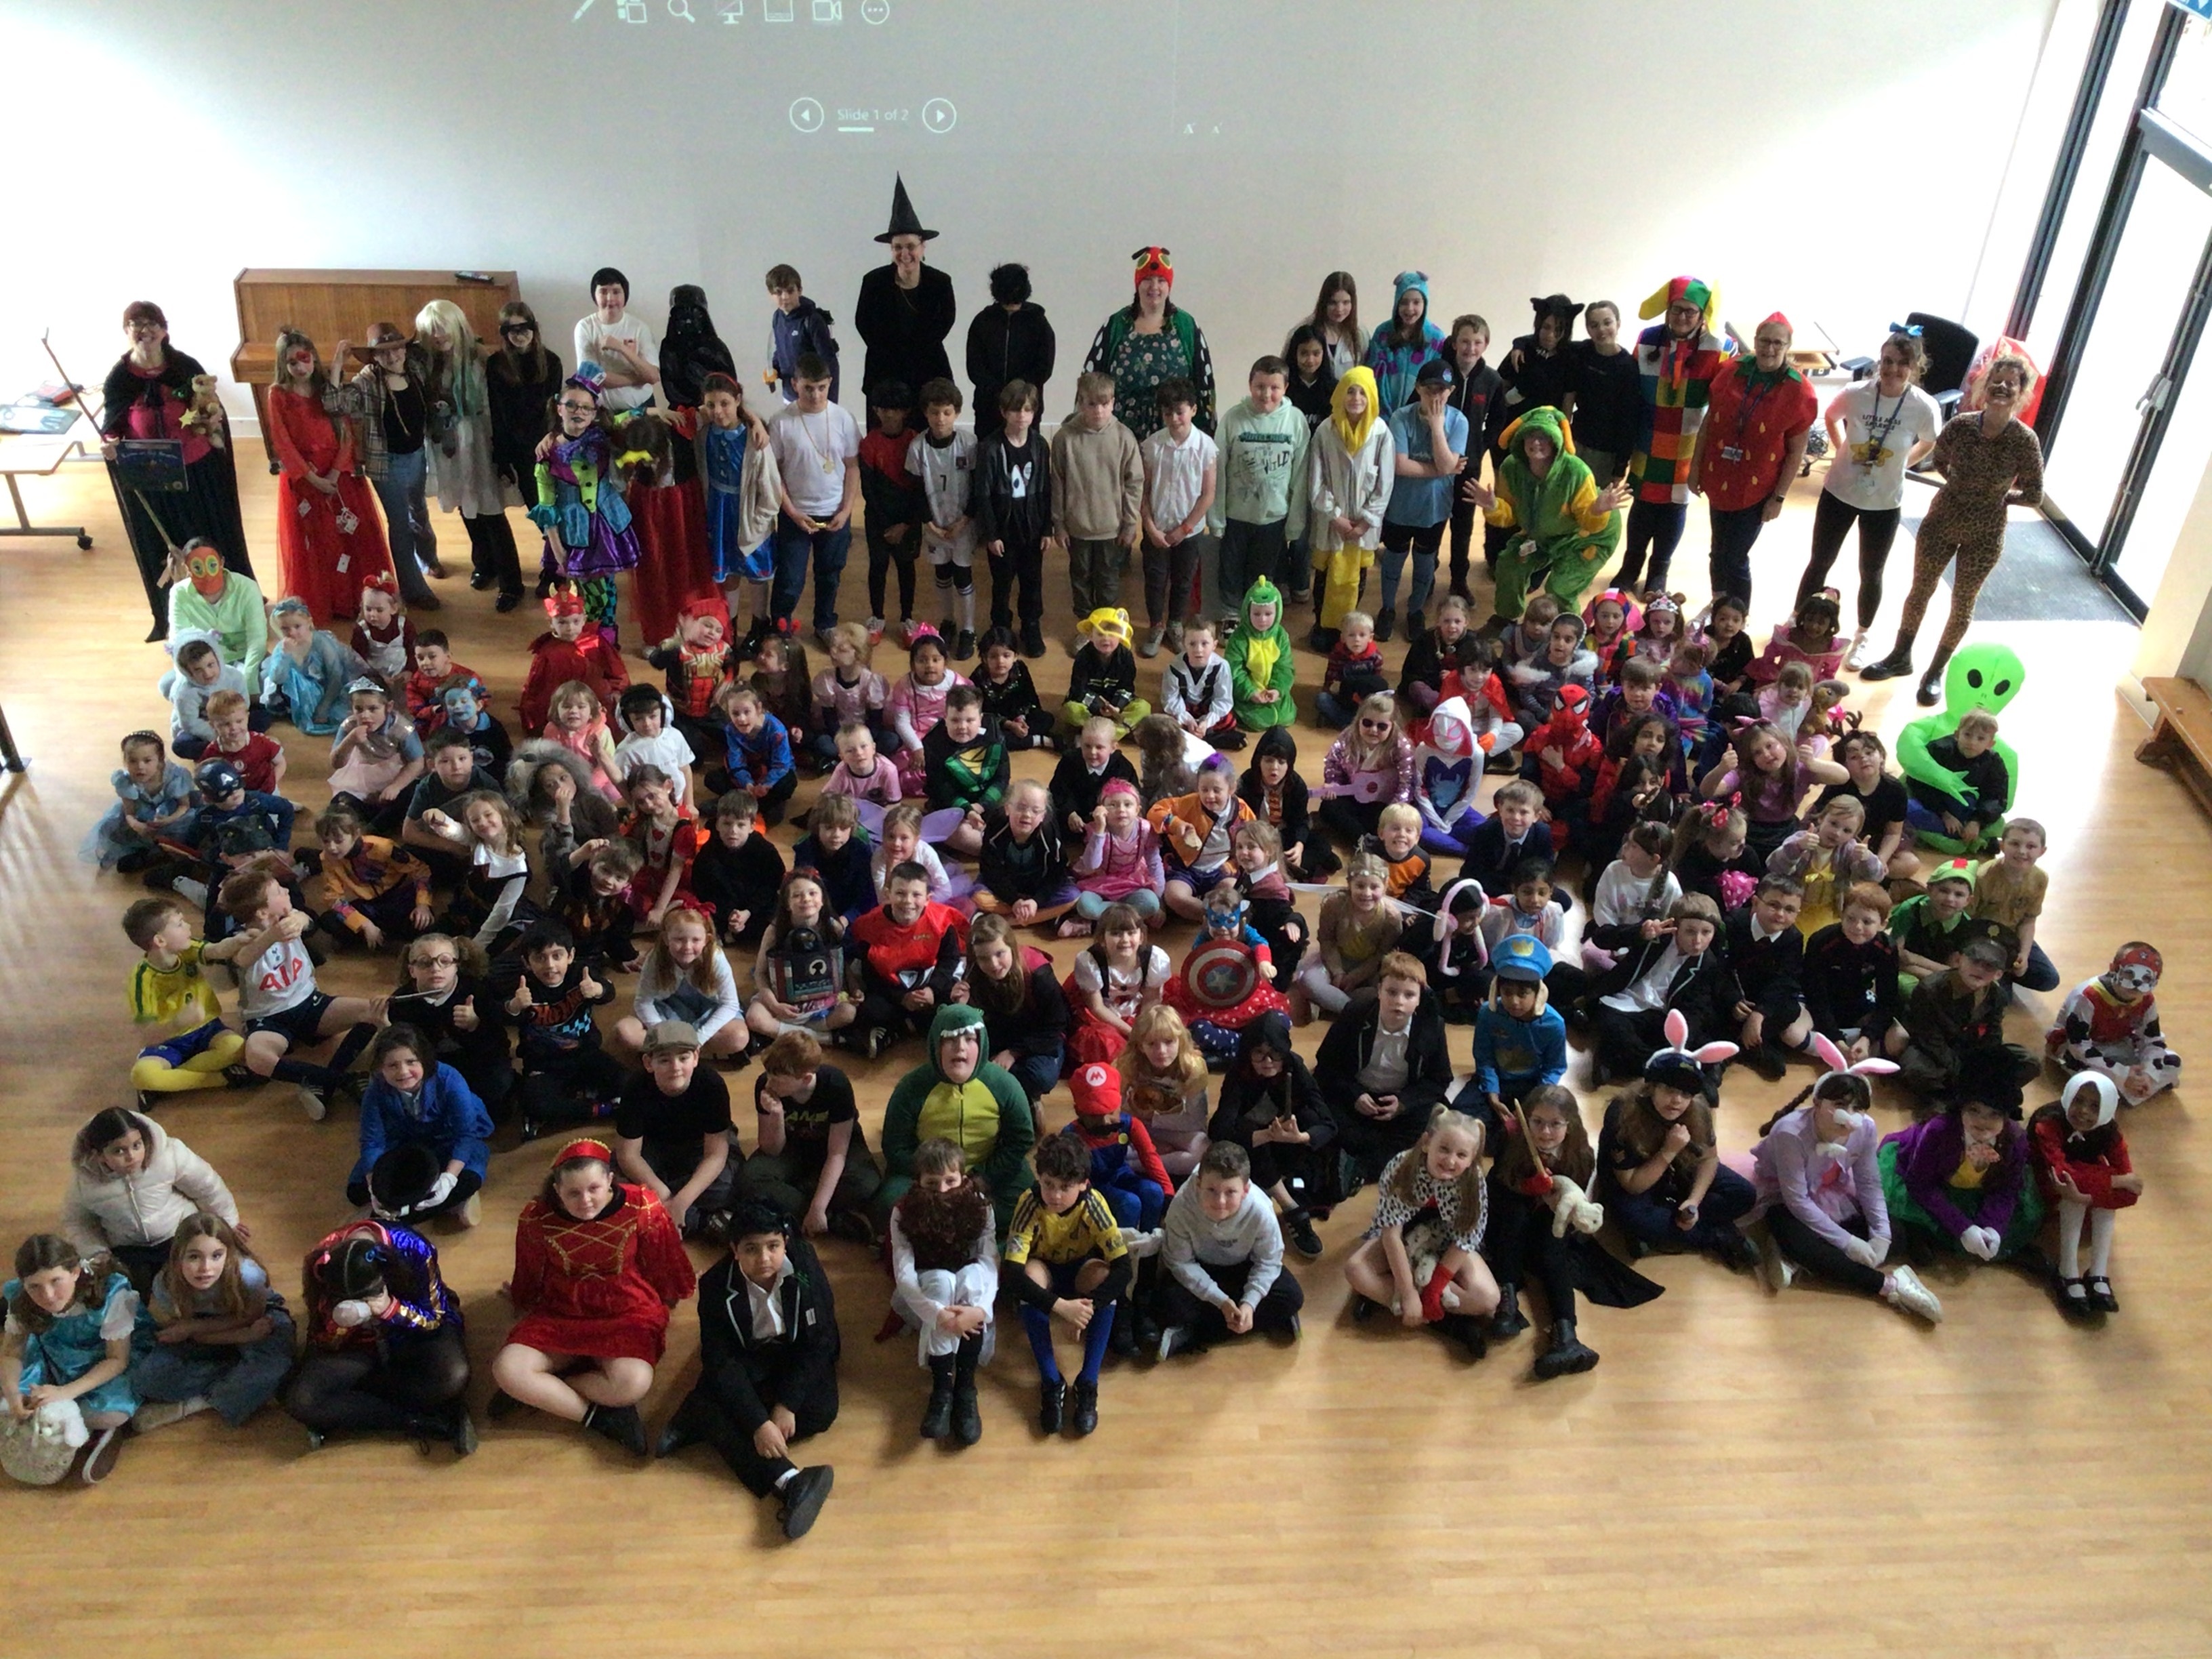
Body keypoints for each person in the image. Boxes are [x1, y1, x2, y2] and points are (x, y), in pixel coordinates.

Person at [491, 1137, 696, 1455]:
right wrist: (522, 1296)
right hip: (562, 1309)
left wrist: (673, 1289)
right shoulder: (538, 1217)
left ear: (610, 1180)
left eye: (594, 1189)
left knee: (633, 1384)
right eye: (573, 1193)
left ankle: (546, 1390)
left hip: (626, 1309)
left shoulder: (641, 1205)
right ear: (557, 1190)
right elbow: (530, 1267)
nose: (585, 1201)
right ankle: (596, 1417)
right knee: (507, 1369)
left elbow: (662, 1257)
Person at [1860, 354, 2045, 704]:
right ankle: (1900, 656)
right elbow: (1940, 460)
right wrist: (1960, 486)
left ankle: (1935, 672)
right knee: (1920, 591)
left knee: (1962, 603)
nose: (2002, 387)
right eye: (1996, 380)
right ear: (1985, 385)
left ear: (2021, 393)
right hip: (1943, 519)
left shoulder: (2025, 440)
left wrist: (2000, 498)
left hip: (1986, 532)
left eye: (2011, 383)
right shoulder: (1961, 425)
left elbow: (2035, 494)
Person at [655, 1203, 839, 1540]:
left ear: (785, 1243)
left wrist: (786, 1404)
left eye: (773, 1246)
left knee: (820, 1412)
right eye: (751, 1249)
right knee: (737, 1400)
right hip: (749, 1355)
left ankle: (704, 1415)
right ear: (734, 1250)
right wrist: (758, 1423)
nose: (764, 1258)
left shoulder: (804, 1268)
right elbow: (720, 1358)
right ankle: (788, 1480)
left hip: (795, 1351)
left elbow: (821, 1340)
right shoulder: (715, 1286)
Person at [1484, 1084, 1664, 1379]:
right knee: (1513, 1228)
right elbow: (1500, 1184)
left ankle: (1566, 1334)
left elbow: (1575, 1198)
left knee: (1553, 1252)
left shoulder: (1581, 1154)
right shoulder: (1510, 1140)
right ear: (1527, 1119)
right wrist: (1529, 1187)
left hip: (1551, 1215)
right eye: (1538, 1122)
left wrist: (1555, 1199)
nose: (1545, 1132)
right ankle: (1507, 1300)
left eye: (1555, 1124)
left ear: (1569, 1124)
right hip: (1510, 1209)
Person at [1749, 1057, 1944, 1322]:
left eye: (1857, 1108)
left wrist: (1881, 1234)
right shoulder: (1790, 1134)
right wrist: (1848, 1243)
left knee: (1897, 1235)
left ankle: (1794, 1256)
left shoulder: (1866, 1128)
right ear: (1817, 1103)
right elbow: (1797, 1200)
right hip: (1785, 1198)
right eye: (1840, 1105)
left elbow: (1869, 1182)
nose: (1849, 1116)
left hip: (1832, 1190)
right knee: (1802, 1242)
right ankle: (1889, 1286)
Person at [100, 300, 253, 638]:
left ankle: (229, 608)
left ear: (165, 330)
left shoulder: (184, 366)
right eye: (137, 324)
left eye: (152, 323)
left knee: (208, 539)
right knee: (167, 548)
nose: (146, 331)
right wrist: (109, 443)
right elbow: (112, 425)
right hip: (152, 478)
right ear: (126, 331)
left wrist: (213, 417)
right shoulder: (120, 379)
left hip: (197, 471)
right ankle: (182, 615)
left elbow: (210, 407)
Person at [1794, 329, 1942, 667]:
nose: (1893, 369)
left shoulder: (1923, 406)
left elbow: (1930, 441)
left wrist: (1904, 464)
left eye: (1902, 364)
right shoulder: (1856, 393)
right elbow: (1830, 417)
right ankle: (1798, 621)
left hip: (1884, 503)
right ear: (1880, 361)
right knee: (1820, 561)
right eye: (1888, 361)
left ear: (1914, 367)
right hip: (1839, 492)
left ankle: (1862, 636)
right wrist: (1841, 449)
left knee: (1871, 572)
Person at [202, 868, 386, 1120]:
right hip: (268, 1018)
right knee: (257, 1058)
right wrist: (272, 935)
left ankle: (324, 1082)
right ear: (262, 912)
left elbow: (307, 919)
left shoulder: (291, 916)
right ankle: (343, 1080)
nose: (287, 891)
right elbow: (243, 959)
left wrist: (300, 919)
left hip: (310, 1003)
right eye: (279, 891)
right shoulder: (241, 939)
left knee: (373, 1011)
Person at [287, 1219, 472, 1454]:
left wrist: (391, 1309)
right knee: (302, 1400)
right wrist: (340, 1324)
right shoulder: (321, 1260)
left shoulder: (413, 1247)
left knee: (453, 1374)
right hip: (356, 1345)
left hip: (411, 1333)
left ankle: (361, 1401)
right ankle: (421, 1418)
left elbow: (434, 1318)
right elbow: (319, 1333)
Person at [1003, 1130, 1130, 1437]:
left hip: (1079, 1268)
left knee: (1104, 1274)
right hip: (1044, 1268)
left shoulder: (1094, 1204)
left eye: (1065, 1187)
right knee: (1029, 1275)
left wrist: (1088, 1309)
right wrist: (1062, 1308)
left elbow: (1123, 1268)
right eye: (1048, 1184)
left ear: (1084, 1184)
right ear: (1039, 1178)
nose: (1055, 1196)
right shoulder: (1029, 1202)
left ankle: (1088, 1381)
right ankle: (1051, 1380)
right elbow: (1013, 1274)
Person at [1689, 312, 1818, 610]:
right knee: (1717, 551)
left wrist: (1779, 497)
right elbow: (1708, 423)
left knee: (1735, 557)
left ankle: (1737, 616)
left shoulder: (1798, 390)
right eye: (1764, 341)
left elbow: (1796, 451)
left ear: (1788, 346)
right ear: (1755, 341)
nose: (1769, 349)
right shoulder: (1731, 371)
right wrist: (1695, 468)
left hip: (1757, 487)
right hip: (1719, 475)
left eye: (1777, 343)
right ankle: (1719, 604)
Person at [1343, 1105, 1496, 1353]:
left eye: (1461, 1155)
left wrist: (1436, 1287)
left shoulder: (1473, 1180)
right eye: (1444, 1149)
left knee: (1488, 1299)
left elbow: (1466, 1239)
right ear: (1426, 1143)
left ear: (1471, 1158)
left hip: (1446, 1243)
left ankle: (1409, 1307)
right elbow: (1391, 1235)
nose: (1450, 1161)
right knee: (1355, 1270)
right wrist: (1408, 1292)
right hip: (1402, 1240)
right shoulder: (1401, 1166)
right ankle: (1444, 1322)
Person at [1613, 275, 1730, 598]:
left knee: (1675, 505)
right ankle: (1630, 567)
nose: (1682, 317)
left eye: (1690, 312)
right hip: (1647, 437)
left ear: (1702, 314)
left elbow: (1726, 395)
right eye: (1677, 309)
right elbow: (1631, 386)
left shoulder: (1720, 347)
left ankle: (1658, 572)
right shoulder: (1648, 338)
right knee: (1642, 502)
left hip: (1687, 443)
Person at [1596, 1038, 1760, 1269]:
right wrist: (1668, 1151)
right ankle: (1716, 1236)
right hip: (1638, 1177)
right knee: (1632, 1217)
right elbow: (1632, 1185)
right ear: (1652, 1087)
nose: (1677, 1101)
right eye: (1669, 1090)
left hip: (1678, 1169)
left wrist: (1693, 1202)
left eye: (1686, 1093)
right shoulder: (1622, 1112)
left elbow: (1709, 1159)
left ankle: (1669, 1228)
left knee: (1744, 1194)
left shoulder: (1698, 1110)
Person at [876, 1004, 1037, 1237]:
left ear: (982, 1044)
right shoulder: (911, 1087)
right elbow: (895, 1145)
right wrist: (931, 1179)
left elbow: (1020, 1140)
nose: (960, 1047)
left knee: (1027, 1204)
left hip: (987, 1171)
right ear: (935, 1044)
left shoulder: (1004, 1085)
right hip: (928, 1175)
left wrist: (985, 1177)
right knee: (889, 1205)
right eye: (950, 1039)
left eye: (970, 1039)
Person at [1, 1235, 151, 1484]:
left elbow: (117, 1360)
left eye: (55, 1281)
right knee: (9, 1392)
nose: (48, 1296)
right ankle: (62, 1425)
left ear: (75, 1272)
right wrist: (12, 1395)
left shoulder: (111, 1293)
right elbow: (11, 1352)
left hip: (104, 1359)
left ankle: (86, 1428)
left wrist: (64, 1393)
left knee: (113, 1413)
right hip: (55, 1351)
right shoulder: (19, 1297)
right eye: (34, 1287)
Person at [131, 1213, 296, 1433]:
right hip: (215, 1332)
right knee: (147, 1379)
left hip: (253, 1320)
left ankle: (194, 1405)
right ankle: (239, 1377)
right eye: (194, 1257)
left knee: (273, 1363)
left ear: (229, 1254)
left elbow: (251, 1317)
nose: (205, 1268)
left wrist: (195, 1329)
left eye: (216, 1256)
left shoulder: (249, 1275)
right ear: (178, 1256)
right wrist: (240, 1337)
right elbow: (191, 1333)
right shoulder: (166, 1285)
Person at [1465, 406, 1626, 626]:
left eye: (1544, 437)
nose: (1536, 442)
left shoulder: (1576, 472)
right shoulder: (1511, 467)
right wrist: (1493, 506)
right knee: (1509, 565)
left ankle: (1570, 633)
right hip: (1542, 534)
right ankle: (1506, 620)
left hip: (1587, 535)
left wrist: (1598, 510)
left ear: (1556, 441)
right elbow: (1510, 516)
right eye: (1530, 435)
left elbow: (1589, 523)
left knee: (1560, 589)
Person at [1879, 1056, 2044, 1265]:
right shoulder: (1938, 1132)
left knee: (2022, 1215)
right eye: (1974, 1110)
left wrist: (1992, 1227)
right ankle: (1917, 1233)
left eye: (1994, 1114)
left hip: (1977, 1189)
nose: (1983, 1122)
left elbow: (2006, 1189)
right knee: (1906, 1205)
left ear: (2006, 1117)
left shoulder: (2015, 1141)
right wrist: (1964, 1228)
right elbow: (1920, 1184)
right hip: (1930, 1181)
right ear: (1961, 1108)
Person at [60, 1107, 240, 1294]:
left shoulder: (170, 1155)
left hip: (178, 1233)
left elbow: (208, 1187)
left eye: (137, 1145)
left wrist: (228, 1224)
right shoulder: (84, 1183)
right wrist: (96, 1253)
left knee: (196, 1281)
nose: (131, 1156)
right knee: (127, 1291)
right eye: (119, 1151)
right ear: (99, 1156)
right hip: (129, 1247)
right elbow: (78, 1221)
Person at [887, 1139, 996, 1446]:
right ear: (918, 1181)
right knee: (942, 1281)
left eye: (951, 1181)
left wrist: (980, 1310)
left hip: (969, 1289)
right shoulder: (903, 1211)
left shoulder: (980, 1206)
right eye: (932, 1183)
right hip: (927, 1288)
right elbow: (904, 1274)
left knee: (971, 1278)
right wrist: (938, 1315)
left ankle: (966, 1386)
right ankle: (942, 1388)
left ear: (963, 1177)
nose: (943, 1190)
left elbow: (989, 1261)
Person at [415, 299, 523, 607]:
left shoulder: (481, 359)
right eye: (431, 331)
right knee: (465, 503)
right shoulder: (430, 364)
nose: (438, 336)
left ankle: (511, 582)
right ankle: (484, 563)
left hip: (479, 439)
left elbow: (498, 405)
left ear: (457, 325)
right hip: (449, 443)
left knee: (490, 509)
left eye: (442, 328)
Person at [1154, 1141, 1304, 1358]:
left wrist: (1250, 1303)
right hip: (1201, 1266)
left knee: (1292, 1296)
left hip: (1244, 1266)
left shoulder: (1261, 1210)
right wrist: (1221, 1301)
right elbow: (1180, 1262)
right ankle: (1263, 1321)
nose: (1220, 1202)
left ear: (1245, 1191)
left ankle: (1198, 1332)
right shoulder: (1181, 1206)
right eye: (1211, 1190)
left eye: (1230, 1192)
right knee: (1164, 1302)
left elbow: (1268, 1261)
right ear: (1199, 1184)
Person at [1318, 953, 1453, 1188]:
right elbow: (1326, 1065)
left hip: (1400, 1100)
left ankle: (1357, 1167)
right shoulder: (1355, 1013)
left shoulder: (1432, 1026)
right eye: (1392, 992)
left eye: (1409, 995)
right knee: (1324, 1113)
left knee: (1426, 1128)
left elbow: (1440, 1079)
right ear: (1379, 991)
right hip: (1356, 1094)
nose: (1399, 1001)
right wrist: (1355, 1094)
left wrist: (1404, 1103)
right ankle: (1368, 1162)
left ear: (1420, 999)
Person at [739, 1031, 882, 1240]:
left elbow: (837, 1153)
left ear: (806, 1079)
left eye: (778, 1080)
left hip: (833, 1145)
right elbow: (772, 1149)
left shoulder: (836, 1084)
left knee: (865, 1183)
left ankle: (797, 1203)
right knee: (750, 1177)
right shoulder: (765, 1086)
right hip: (792, 1148)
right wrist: (776, 1115)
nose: (770, 1083)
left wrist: (818, 1206)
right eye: (768, 1075)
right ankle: (831, 1218)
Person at [348, 1026, 491, 1225]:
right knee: (356, 1190)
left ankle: (396, 1215)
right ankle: (439, 1206)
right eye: (393, 1065)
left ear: (424, 1059)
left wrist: (449, 1178)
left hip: (447, 1139)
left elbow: (465, 1135)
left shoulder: (449, 1079)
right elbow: (372, 1142)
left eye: (411, 1062)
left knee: (469, 1179)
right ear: (381, 1068)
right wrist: (375, 1188)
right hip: (405, 1141)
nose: (403, 1072)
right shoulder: (376, 1090)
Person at [766, 354, 863, 643]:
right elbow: (775, 473)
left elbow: (852, 467)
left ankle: (825, 623)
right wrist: (791, 511)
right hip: (796, 514)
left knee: (830, 574)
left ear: (830, 383)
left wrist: (846, 510)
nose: (816, 395)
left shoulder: (843, 419)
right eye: (809, 388)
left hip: (834, 512)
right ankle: (780, 627)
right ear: (795, 384)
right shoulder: (781, 422)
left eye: (822, 387)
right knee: (790, 578)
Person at [2031, 1073, 2139, 1319]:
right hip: (2040, 1184)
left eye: (2095, 1106)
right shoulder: (2048, 1122)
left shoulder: (2110, 1131)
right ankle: (2067, 1269)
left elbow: (2131, 1191)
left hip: (2078, 1187)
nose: (2083, 1111)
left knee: (2083, 1191)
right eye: (2078, 1100)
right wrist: (2111, 1181)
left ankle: (2098, 1271)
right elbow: (2060, 1176)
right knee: (2074, 1190)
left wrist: (2090, 1196)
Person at [1209, 356, 1310, 616]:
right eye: (1260, 386)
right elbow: (1217, 471)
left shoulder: (1295, 421)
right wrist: (1216, 518)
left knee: (1261, 575)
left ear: (1286, 388)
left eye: (1274, 387)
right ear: (1250, 385)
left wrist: (1295, 522)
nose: (1266, 394)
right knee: (1230, 571)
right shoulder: (1233, 419)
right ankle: (1231, 617)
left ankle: (1255, 620)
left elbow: (1300, 477)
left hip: (1273, 518)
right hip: (1236, 515)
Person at [1082, 245, 1217, 441]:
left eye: (1161, 280)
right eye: (1147, 280)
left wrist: (1205, 435)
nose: (1154, 287)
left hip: (1173, 431)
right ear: (1138, 284)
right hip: (1120, 436)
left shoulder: (1186, 326)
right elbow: (1092, 381)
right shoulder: (1116, 325)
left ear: (1169, 286)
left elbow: (1203, 384)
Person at [1376, 358, 1468, 642]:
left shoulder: (1458, 422)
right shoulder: (1401, 418)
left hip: (1434, 508)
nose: (1435, 397)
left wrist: (1437, 427)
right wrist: (1443, 468)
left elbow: (1445, 464)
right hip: (1400, 507)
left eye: (1442, 390)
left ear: (1451, 391)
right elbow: (1400, 465)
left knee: (1425, 563)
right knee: (1393, 561)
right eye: (1429, 390)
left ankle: (1415, 611)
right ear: (1418, 388)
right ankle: (1387, 608)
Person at [1305, 367, 1395, 648]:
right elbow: (1316, 481)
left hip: (1363, 527)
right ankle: (1323, 626)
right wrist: (1335, 517)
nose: (1356, 398)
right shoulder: (1325, 431)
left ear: (1372, 398)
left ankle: (1347, 630)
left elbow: (1385, 483)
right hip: (1332, 523)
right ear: (1340, 395)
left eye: (1362, 393)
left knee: (1356, 579)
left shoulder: (1381, 433)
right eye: (1350, 391)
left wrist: (1366, 521)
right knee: (1325, 576)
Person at [855, 176, 956, 424]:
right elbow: (863, 324)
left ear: (923, 247)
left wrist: (913, 356)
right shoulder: (873, 282)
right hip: (883, 374)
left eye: (910, 246)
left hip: (928, 373)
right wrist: (893, 355)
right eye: (898, 247)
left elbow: (945, 323)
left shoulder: (940, 282)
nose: (905, 253)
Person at [1050, 373, 1147, 632]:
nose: (1098, 411)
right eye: (1091, 404)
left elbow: (1135, 483)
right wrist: (1059, 524)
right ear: (1080, 403)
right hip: (1077, 527)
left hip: (1111, 528)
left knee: (1108, 581)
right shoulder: (1065, 438)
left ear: (1113, 403)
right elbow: (1057, 483)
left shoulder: (1124, 437)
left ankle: (1105, 628)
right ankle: (1086, 627)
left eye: (1104, 404)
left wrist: (1130, 523)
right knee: (1080, 578)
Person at [484, 303, 562, 609]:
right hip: (518, 449)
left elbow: (553, 410)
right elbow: (498, 413)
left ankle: (554, 570)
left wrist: (552, 442)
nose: (518, 335)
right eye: (511, 330)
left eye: (523, 328)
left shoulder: (551, 362)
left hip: (547, 447)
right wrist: (503, 457)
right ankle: (553, 564)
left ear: (534, 327)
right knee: (539, 510)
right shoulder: (496, 365)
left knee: (552, 511)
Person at [1137, 378, 1218, 658]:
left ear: (1193, 410)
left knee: (1183, 581)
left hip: (1189, 533)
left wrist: (1184, 528)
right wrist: (1150, 527)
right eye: (1168, 413)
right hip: (1157, 530)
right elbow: (1144, 491)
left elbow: (1208, 494)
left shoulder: (1206, 447)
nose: (1174, 419)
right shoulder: (1152, 446)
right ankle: (1156, 625)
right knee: (1155, 580)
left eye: (1180, 412)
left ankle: (1175, 624)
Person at [972, 382, 1054, 653]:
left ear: (1035, 413)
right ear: (1004, 412)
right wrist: (991, 534)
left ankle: (1031, 624)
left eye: (1028, 410)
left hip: (1032, 528)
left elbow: (1046, 489)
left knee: (1032, 582)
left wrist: (1047, 528)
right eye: (1016, 410)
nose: (1022, 416)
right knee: (1002, 583)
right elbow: (983, 494)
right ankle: (1001, 627)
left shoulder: (1040, 445)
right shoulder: (990, 447)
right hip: (1003, 530)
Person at [2048, 941, 2180, 1106]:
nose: (2136, 983)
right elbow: (2078, 1047)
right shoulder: (2088, 996)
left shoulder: (2146, 1000)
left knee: (2173, 1062)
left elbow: (2152, 1040)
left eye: (2146, 978)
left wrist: (2148, 1073)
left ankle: (2125, 1091)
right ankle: (2131, 1092)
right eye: (2129, 974)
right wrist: (2122, 1073)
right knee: (2092, 1080)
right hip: (2081, 1051)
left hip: (2120, 1044)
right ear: (2113, 969)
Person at [966, 262, 1055, 441]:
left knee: (1025, 449)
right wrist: (998, 393)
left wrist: (1019, 392)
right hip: (988, 405)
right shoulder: (983, 321)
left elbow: (1044, 367)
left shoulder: (1039, 323)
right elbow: (975, 366)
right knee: (988, 450)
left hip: (1026, 405)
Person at [1563, 300, 1641, 490]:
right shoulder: (1582, 351)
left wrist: (1620, 466)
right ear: (1588, 329)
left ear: (1618, 324)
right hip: (1575, 441)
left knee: (1592, 502)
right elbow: (1569, 395)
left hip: (1606, 453)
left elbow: (1629, 420)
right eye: (1594, 325)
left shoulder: (1628, 367)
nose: (1601, 330)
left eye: (1607, 323)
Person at [1363, 270, 1447, 412]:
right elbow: (1371, 375)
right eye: (1404, 302)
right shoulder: (1383, 333)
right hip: (1381, 414)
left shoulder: (1436, 338)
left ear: (1425, 304)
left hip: (1419, 415)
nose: (1410, 309)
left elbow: (1437, 382)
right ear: (1397, 304)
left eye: (1416, 302)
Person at [764, 263, 841, 405]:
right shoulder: (777, 317)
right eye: (779, 292)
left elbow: (829, 363)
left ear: (799, 291)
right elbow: (781, 350)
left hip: (813, 398)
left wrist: (829, 403)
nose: (785, 297)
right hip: (789, 394)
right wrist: (774, 369)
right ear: (771, 294)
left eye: (790, 291)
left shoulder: (812, 320)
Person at [1289, 271, 1363, 379]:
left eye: (1346, 302)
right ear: (1324, 302)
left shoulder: (1360, 334)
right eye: (1333, 303)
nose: (1339, 309)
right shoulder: (1305, 330)